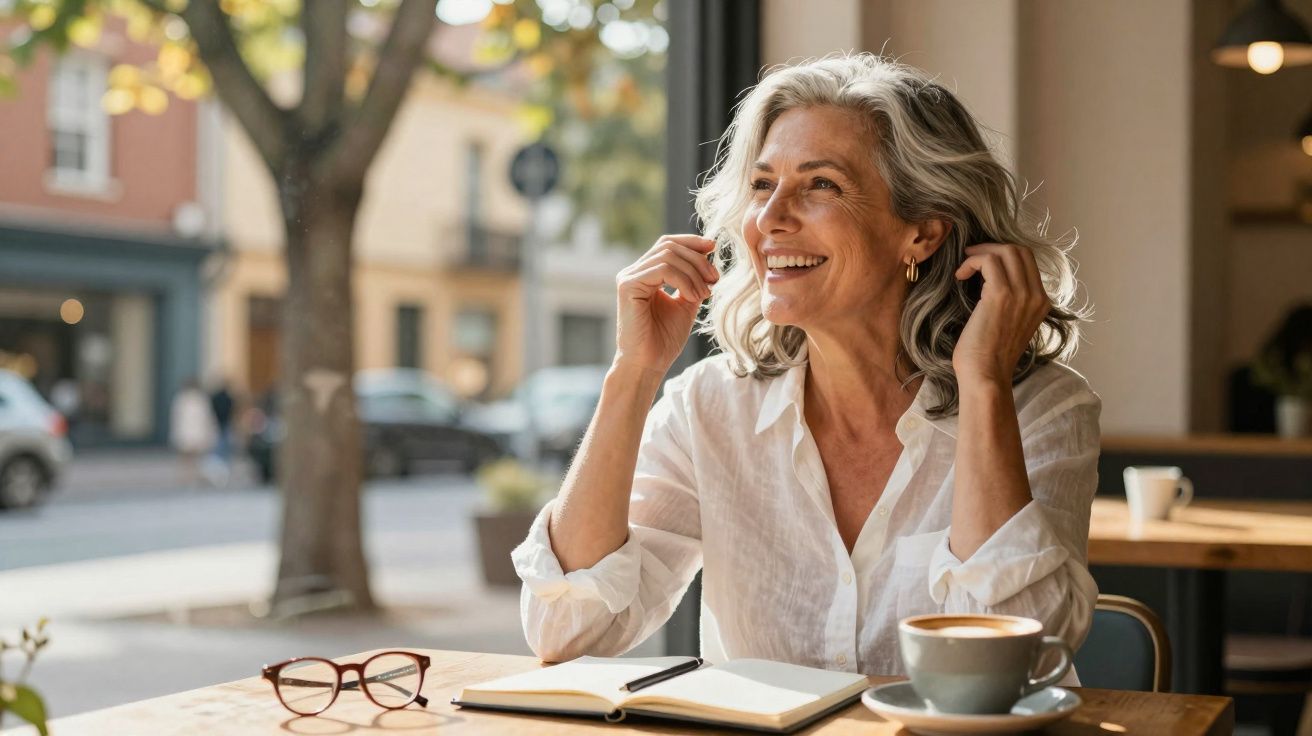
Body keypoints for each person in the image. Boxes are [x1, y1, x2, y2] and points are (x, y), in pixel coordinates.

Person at [512, 53, 1101, 678]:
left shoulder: (1041, 408)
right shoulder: (709, 407)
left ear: (923, 232)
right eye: (763, 185)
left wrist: (983, 384)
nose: (769, 220)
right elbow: (566, 631)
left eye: (821, 185)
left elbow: (1016, 666)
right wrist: (633, 372)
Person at [170, 377, 219, 487]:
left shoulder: (184, 399)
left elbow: (176, 418)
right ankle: (190, 476)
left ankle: (188, 476)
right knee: (193, 457)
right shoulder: (196, 399)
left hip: (190, 432)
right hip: (194, 432)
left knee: (189, 457)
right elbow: (208, 418)